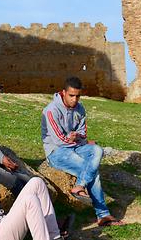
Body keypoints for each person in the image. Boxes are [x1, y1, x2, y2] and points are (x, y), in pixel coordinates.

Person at [41, 76, 122, 227]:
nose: (75, 99)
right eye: (71, 95)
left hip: (76, 146)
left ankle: (79, 186)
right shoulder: (51, 110)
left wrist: (77, 136)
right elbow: (58, 140)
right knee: (92, 171)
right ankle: (103, 215)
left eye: (78, 96)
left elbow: (83, 133)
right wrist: (70, 138)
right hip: (57, 151)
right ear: (63, 92)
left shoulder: (80, 108)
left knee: (97, 150)